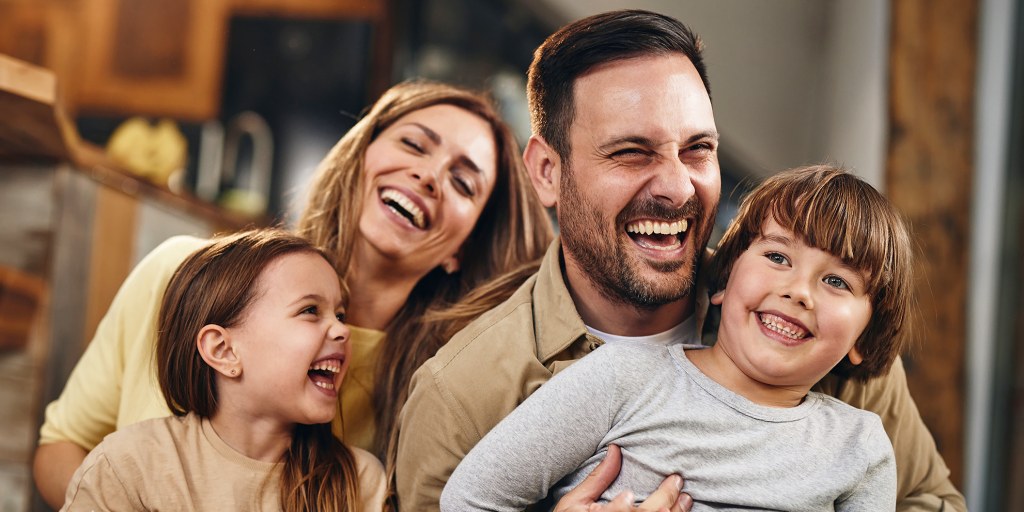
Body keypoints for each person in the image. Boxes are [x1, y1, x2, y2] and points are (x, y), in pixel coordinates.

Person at [395, 9, 966, 512]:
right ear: (548, 171)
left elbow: (930, 503)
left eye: (698, 149)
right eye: (630, 152)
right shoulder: (461, 396)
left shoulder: (821, 335)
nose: (676, 186)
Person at [34, 80, 554, 509]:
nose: (428, 175)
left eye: (464, 183)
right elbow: (60, 446)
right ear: (360, 156)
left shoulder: (442, 389)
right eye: (414, 145)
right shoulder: (180, 274)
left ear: (458, 251)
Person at [442, 165, 909, 511]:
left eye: (837, 282)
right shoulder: (622, 378)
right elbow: (467, 500)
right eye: (778, 257)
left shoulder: (859, 449)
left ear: (865, 335)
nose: (797, 291)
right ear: (725, 279)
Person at [61, 229, 386, 511]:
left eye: (340, 315)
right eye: (310, 310)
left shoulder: (362, 483)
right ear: (224, 350)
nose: (343, 330)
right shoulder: (128, 464)